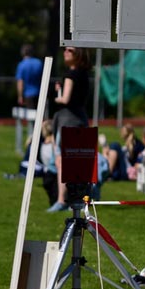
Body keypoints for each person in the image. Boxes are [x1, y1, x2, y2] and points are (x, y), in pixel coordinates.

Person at [47, 46, 91, 212]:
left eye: (70, 50)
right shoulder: (85, 75)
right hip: (81, 118)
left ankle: (61, 200)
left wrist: (56, 96)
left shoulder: (70, 75)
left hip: (68, 120)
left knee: (62, 162)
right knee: (78, 162)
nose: (65, 52)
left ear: (78, 54)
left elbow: (65, 99)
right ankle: (78, 198)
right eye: (65, 49)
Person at [15, 44, 44, 109]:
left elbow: (20, 82)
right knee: (41, 115)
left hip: (28, 95)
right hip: (40, 93)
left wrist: (20, 96)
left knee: (31, 116)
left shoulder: (21, 65)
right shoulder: (39, 62)